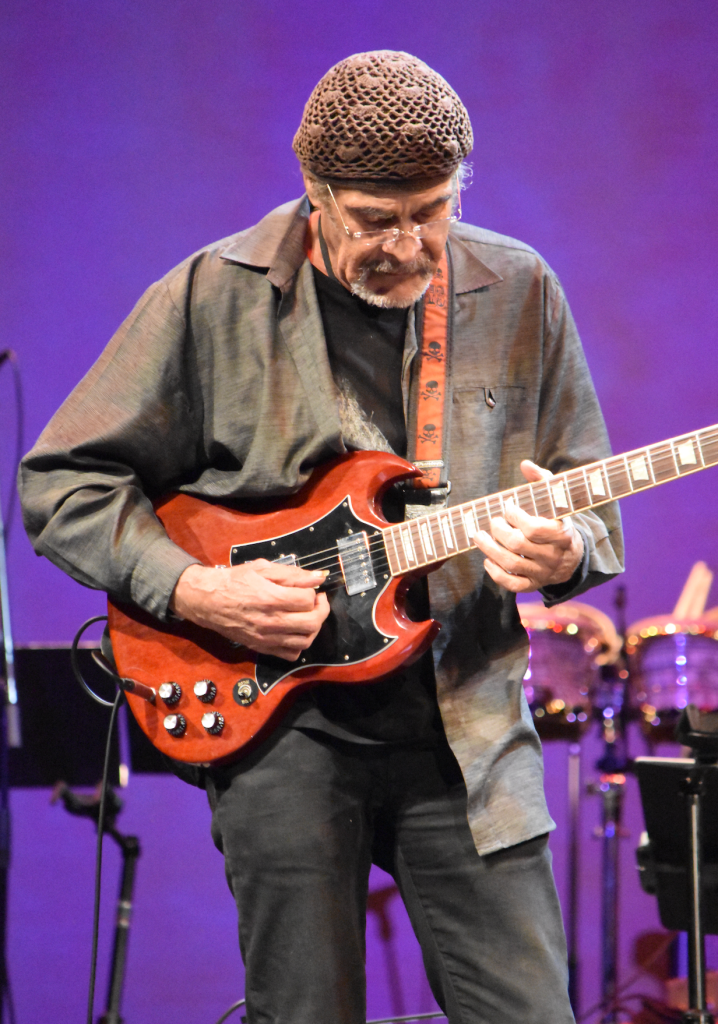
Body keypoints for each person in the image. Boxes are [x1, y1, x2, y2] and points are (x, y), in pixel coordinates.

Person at [20, 51, 623, 1024]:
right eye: (375, 220)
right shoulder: (211, 294)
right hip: (283, 731)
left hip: (465, 722)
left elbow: (586, 504)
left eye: (431, 211)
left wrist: (565, 553)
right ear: (315, 194)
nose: (409, 243)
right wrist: (190, 588)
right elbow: (61, 480)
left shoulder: (519, 288)